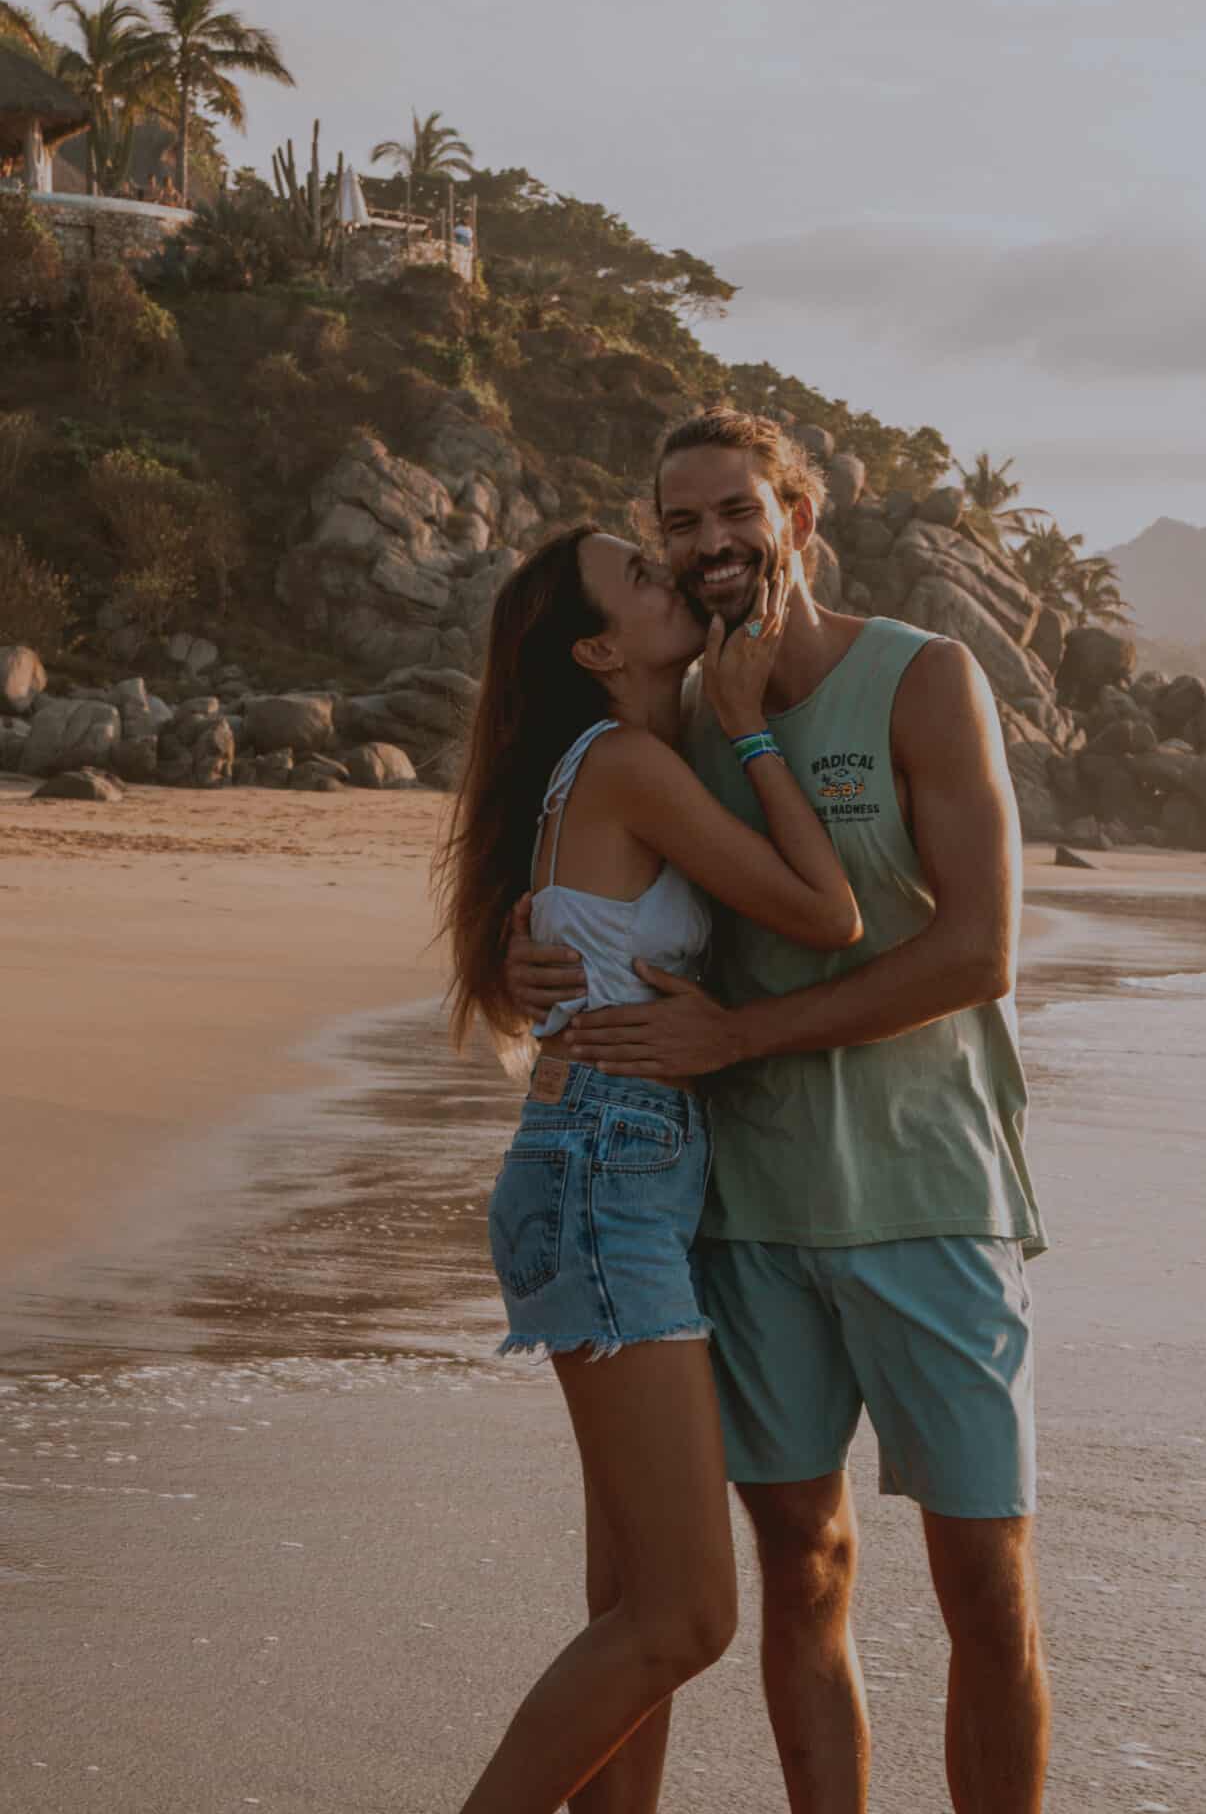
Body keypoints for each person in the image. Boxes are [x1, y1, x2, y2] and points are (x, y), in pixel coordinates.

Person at [504, 408, 1051, 1814]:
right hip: (735, 1208)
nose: (705, 546)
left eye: (734, 511)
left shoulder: (923, 678)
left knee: (983, 1588)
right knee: (797, 1572)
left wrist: (740, 1031)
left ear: (798, 518)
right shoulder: (666, 711)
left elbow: (978, 949)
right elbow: (603, 878)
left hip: (928, 1190)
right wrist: (522, 948)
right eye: (675, 526)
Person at [437, 523, 861, 1813]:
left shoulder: (614, 765)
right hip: (603, 1176)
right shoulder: (628, 762)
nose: (670, 574)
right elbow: (827, 912)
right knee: (687, 1615)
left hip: (612, 1168)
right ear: (599, 649)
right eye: (639, 574)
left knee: (631, 1601)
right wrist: (747, 734)